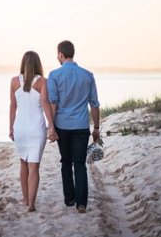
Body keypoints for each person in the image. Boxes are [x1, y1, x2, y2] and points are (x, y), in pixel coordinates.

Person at [47, 40, 100, 214]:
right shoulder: (88, 75)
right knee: (80, 163)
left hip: (62, 126)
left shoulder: (54, 75)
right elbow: (94, 104)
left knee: (65, 162)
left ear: (61, 55)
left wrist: (51, 127)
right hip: (81, 127)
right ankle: (81, 203)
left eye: (57, 54)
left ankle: (69, 199)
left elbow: (53, 103)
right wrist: (96, 128)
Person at [9, 50, 56, 212]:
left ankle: (25, 199)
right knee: (34, 166)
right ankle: (32, 204)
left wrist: (10, 127)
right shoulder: (43, 81)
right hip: (36, 127)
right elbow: (44, 102)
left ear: (23, 63)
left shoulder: (14, 81)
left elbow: (13, 106)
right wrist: (52, 125)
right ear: (38, 64)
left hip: (20, 127)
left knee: (23, 163)